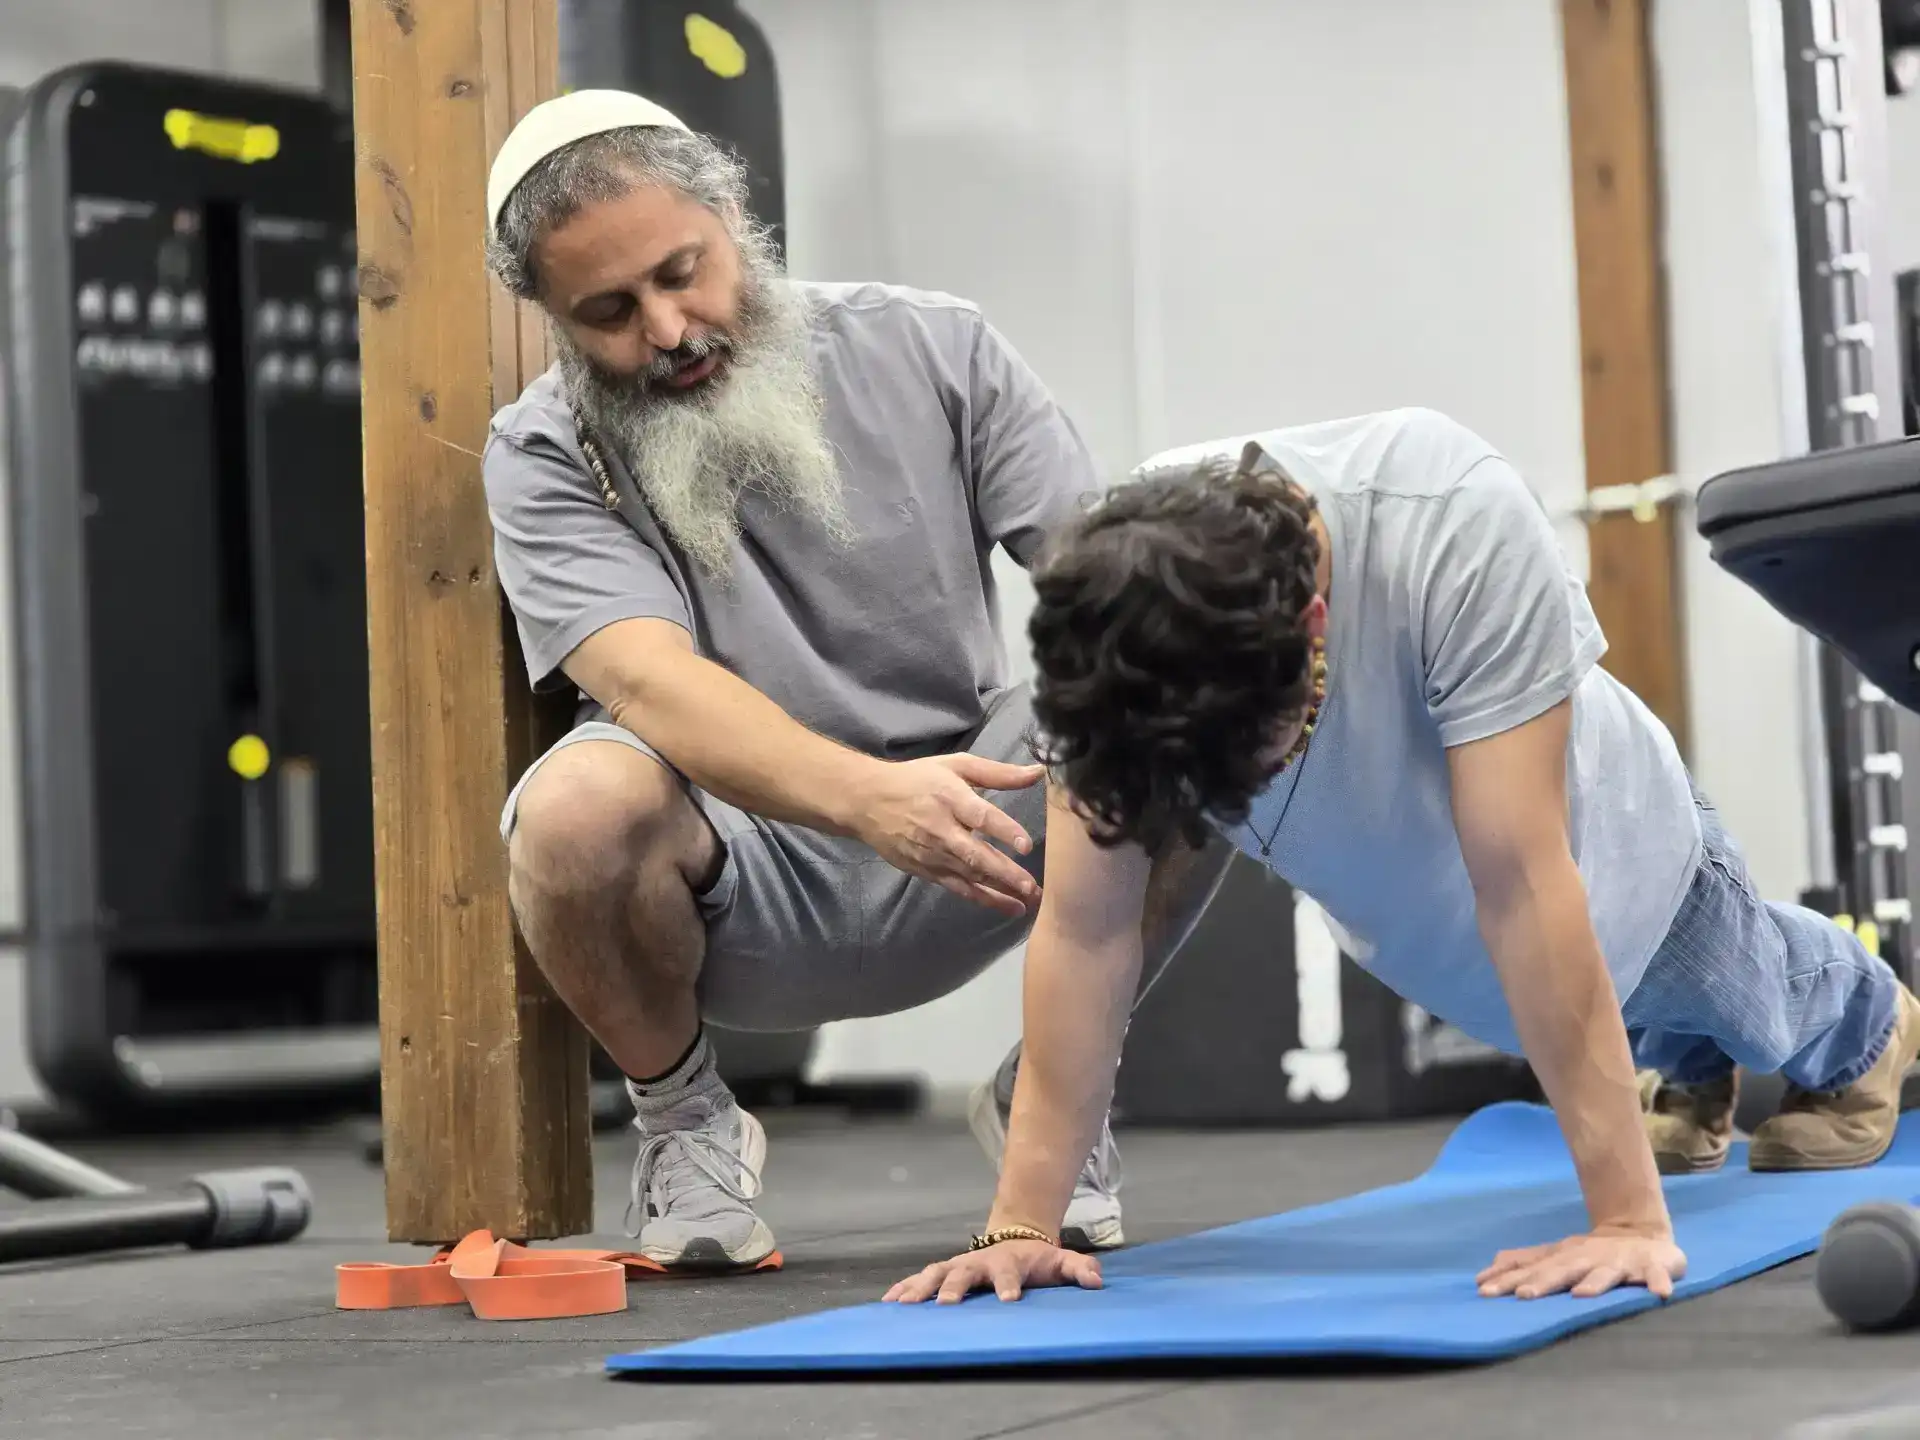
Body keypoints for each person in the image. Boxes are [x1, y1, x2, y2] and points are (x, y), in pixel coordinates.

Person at [884, 407, 1920, 1308]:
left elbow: (1522, 878)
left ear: (1314, 624)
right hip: (1428, 918)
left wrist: (1624, 1221)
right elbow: (1087, 924)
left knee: (1732, 984)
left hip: (1616, 849)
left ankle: (1869, 1020)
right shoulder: (1115, 627)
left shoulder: (1447, 513)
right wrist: (1019, 1223)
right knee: (1570, 1007)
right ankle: (1687, 1074)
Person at [477, 90, 1234, 1272]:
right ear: (555, 321)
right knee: (570, 812)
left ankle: (1058, 1088)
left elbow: (1106, 586)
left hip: (982, 818)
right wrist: (869, 800)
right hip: (737, 879)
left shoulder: (936, 346)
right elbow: (651, 686)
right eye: (611, 313)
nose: (670, 330)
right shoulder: (538, 456)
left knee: (1192, 683)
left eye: (686, 272)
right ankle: (685, 1122)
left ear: (737, 218)